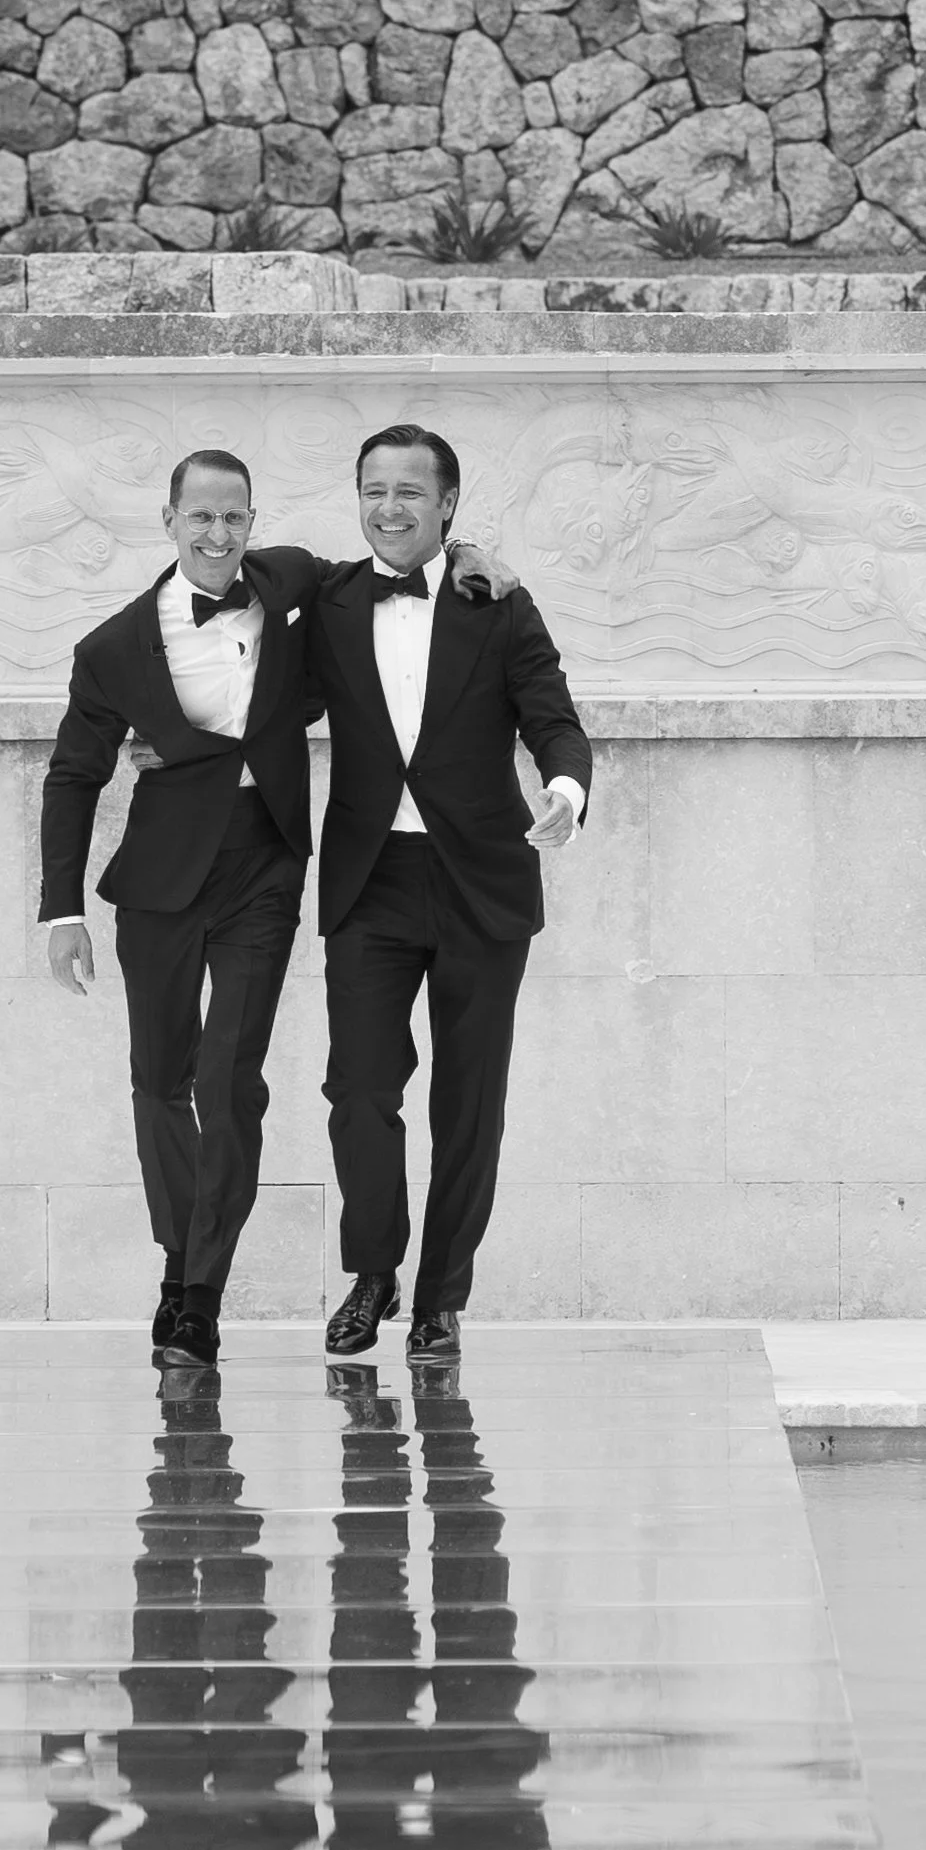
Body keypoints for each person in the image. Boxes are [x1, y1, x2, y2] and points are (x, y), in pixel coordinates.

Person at [39, 448, 510, 1369]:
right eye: (200, 518)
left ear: (252, 523)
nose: (218, 535)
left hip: (265, 867)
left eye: (233, 518)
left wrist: (474, 553)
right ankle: (180, 1257)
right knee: (158, 1081)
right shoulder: (110, 649)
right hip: (161, 882)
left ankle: (198, 1298)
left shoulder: (291, 582)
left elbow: (396, 556)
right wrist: (61, 910)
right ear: (167, 521)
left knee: (230, 1082)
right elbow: (73, 775)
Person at [312, 423, 592, 1364]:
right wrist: (162, 742)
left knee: (468, 1101)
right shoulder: (330, 599)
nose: (387, 508)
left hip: (481, 881)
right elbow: (242, 662)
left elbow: (553, 718)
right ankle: (373, 1274)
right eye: (372, 490)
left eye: (407, 493)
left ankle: (441, 1300)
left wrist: (563, 791)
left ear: (447, 507)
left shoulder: (498, 605)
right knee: (358, 1089)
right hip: (369, 879)